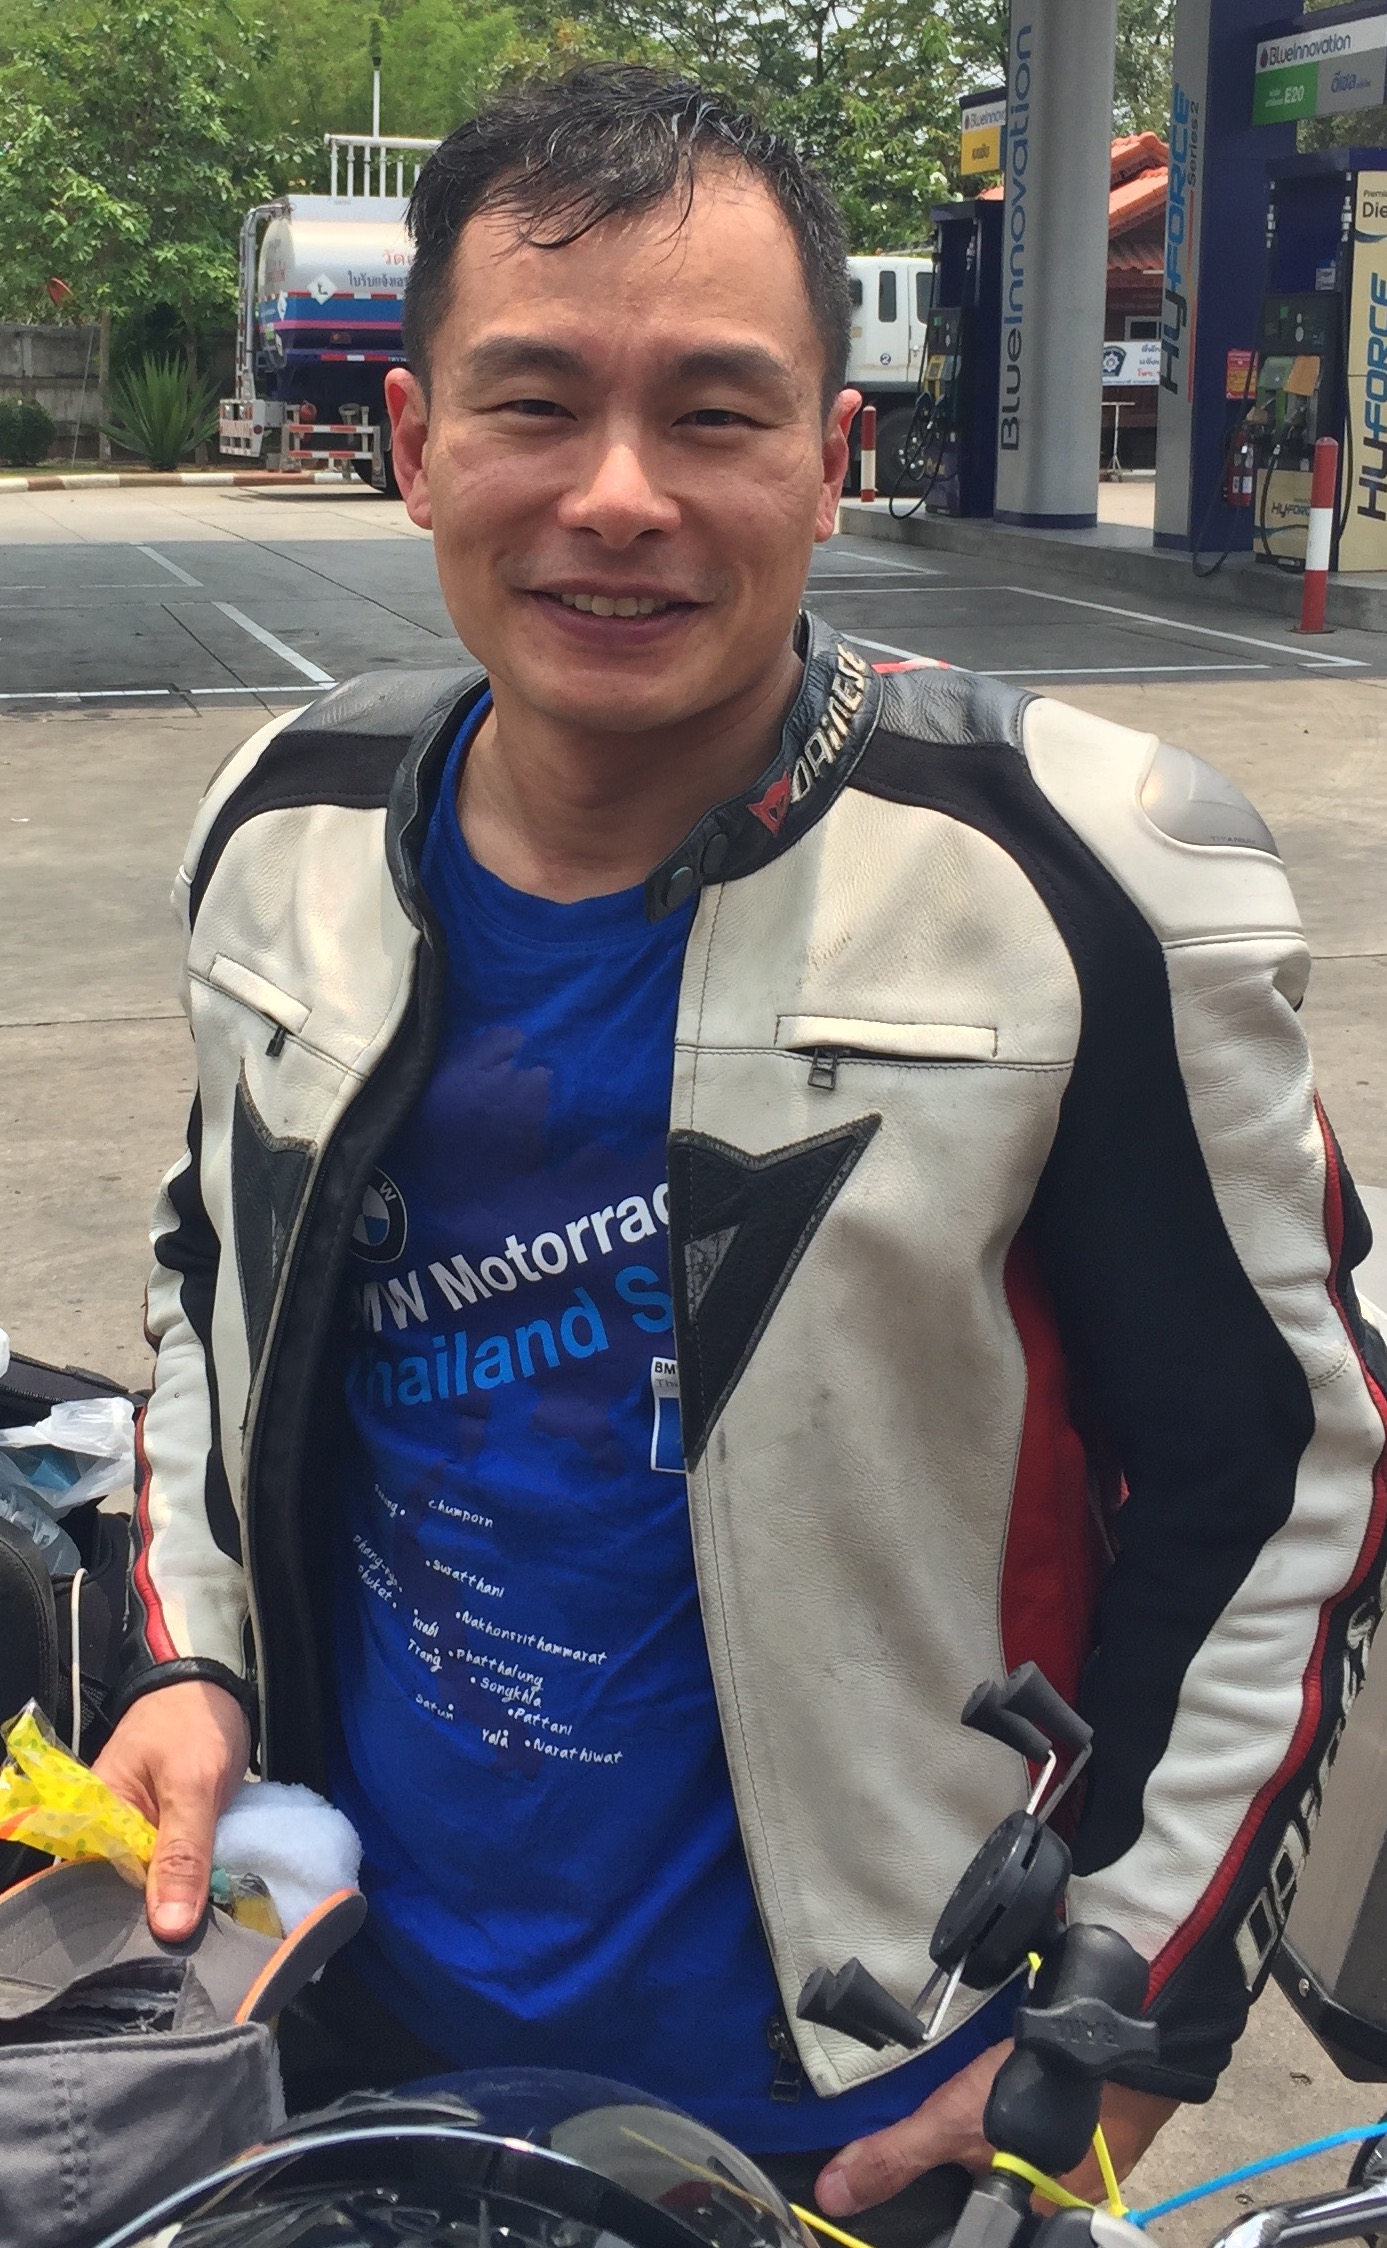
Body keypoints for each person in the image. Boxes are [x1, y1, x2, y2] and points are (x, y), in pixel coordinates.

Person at [96, 62, 1387, 2248]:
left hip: (867, 2096)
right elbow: (204, 1277)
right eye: (533, 405)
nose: (619, 497)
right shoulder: (283, 829)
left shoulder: (1080, 881)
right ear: (412, 441)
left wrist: (1122, 2006)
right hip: (347, 2007)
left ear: (831, 456)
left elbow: (1290, 1475)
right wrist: (188, 1654)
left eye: (713, 413)